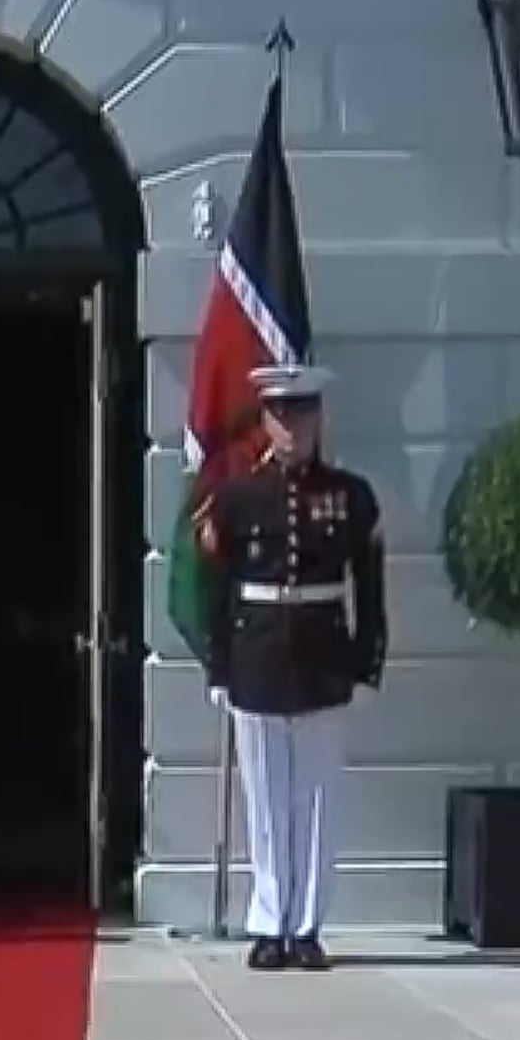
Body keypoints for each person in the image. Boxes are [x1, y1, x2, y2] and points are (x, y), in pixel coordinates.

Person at [195, 362, 387, 971]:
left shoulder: (350, 496)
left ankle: (306, 926)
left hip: (324, 654)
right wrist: (219, 665)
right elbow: (219, 590)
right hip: (256, 654)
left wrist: (368, 663)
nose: (292, 426)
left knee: (318, 798)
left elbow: (369, 587)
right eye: (280, 414)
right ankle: (268, 922)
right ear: (265, 420)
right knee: (265, 800)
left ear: (318, 419)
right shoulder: (236, 498)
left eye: (302, 413)